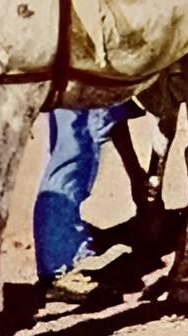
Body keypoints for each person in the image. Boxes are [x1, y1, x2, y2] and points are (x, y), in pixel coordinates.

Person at [33, 101, 143, 299]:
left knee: (74, 151)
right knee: (73, 153)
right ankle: (59, 266)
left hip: (78, 82)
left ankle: (65, 252)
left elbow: (112, 112)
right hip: (76, 79)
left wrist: (135, 173)